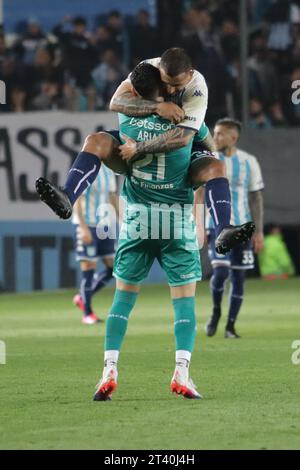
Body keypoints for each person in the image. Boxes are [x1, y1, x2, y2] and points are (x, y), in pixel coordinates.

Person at [35, 48, 255, 256]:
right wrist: (157, 107)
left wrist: (138, 148)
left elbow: (183, 138)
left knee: (216, 167)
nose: (170, 90)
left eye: (176, 85)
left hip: (178, 152)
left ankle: (223, 230)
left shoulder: (197, 87)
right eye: (166, 83)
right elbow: (115, 101)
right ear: (159, 69)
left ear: (189, 74)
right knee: (94, 141)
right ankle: (67, 196)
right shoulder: (146, 69)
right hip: (138, 152)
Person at [92, 62, 203, 401]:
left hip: (138, 218)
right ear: (168, 90)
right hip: (175, 218)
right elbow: (205, 154)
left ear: (137, 93)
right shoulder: (186, 119)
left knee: (122, 300)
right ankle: (181, 372)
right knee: (184, 303)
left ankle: (108, 369)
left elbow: (120, 108)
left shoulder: (126, 118)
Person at [203, 118, 264, 338]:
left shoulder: (249, 162)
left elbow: (256, 197)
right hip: (217, 229)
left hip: (244, 230)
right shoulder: (209, 160)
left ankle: (230, 326)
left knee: (238, 279)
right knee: (220, 273)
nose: (215, 137)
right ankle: (216, 311)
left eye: (220, 134)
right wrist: (198, 225)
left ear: (233, 137)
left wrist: (259, 231)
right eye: (214, 133)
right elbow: (199, 193)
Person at [72, 166, 119, 325]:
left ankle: (83, 296)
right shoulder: (86, 169)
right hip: (87, 225)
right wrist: (83, 228)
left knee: (113, 268)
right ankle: (87, 313)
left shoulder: (109, 170)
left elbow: (112, 196)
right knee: (89, 268)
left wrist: (123, 221)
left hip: (104, 226)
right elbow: (77, 198)